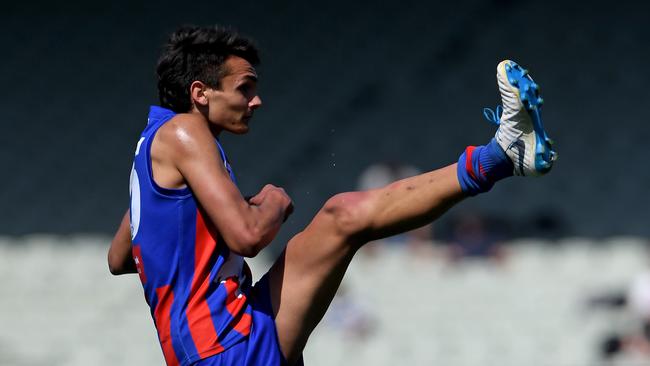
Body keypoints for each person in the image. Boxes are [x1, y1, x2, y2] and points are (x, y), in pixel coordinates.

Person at [107, 25, 556, 366]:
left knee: (342, 214)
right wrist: (272, 202)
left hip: (231, 329)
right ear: (200, 93)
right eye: (245, 87)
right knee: (340, 219)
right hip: (221, 346)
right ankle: (502, 156)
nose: (257, 100)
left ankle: (502, 156)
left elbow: (119, 257)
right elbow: (247, 235)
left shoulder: (151, 149)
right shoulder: (184, 131)